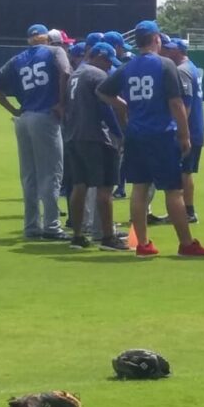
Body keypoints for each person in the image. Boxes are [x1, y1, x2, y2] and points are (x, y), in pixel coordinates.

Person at [97, 20, 204, 257]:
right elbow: (176, 102)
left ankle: (143, 244)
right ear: (156, 38)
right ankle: (186, 243)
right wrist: (184, 134)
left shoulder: (128, 66)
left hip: (136, 134)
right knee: (173, 190)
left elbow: (102, 91)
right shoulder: (165, 64)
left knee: (139, 188)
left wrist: (123, 106)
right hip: (161, 134)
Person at [0, 23, 72, 241]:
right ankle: (52, 226)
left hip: (23, 118)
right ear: (46, 38)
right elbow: (65, 71)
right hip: (45, 117)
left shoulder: (18, 59)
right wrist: (62, 103)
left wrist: (13, 109)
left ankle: (32, 226)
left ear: (29, 40)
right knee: (52, 173)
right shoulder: (55, 51)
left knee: (29, 175)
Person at [63, 43, 128, 251]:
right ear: (99, 57)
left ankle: (78, 235)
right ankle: (108, 237)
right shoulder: (97, 75)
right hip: (96, 138)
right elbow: (108, 108)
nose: (109, 66)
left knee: (79, 185)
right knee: (105, 187)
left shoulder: (76, 74)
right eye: (108, 61)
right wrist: (120, 133)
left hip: (74, 136)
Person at [163, 37, 204, 224]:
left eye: (171, 49)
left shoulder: (182, 71)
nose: (167, 51)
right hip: (195, 128)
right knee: (185, 172)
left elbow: (185, 105)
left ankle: (187, 211)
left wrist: (180, 130)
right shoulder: (192, 67)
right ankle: (184, 210)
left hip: (189, 130)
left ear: (179, 51)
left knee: (184, 172)